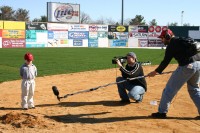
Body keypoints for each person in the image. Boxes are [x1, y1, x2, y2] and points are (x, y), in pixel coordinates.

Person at [148, 29, 200, 119]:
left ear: (167, 36)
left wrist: (155, 72)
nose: (162, 40)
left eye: (162, 38)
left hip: (187, 66)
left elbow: (165, 62)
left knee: (169, 90)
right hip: (198, 64)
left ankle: (162, 112)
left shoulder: (172, 44)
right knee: (194, 89)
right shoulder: (183, 40)